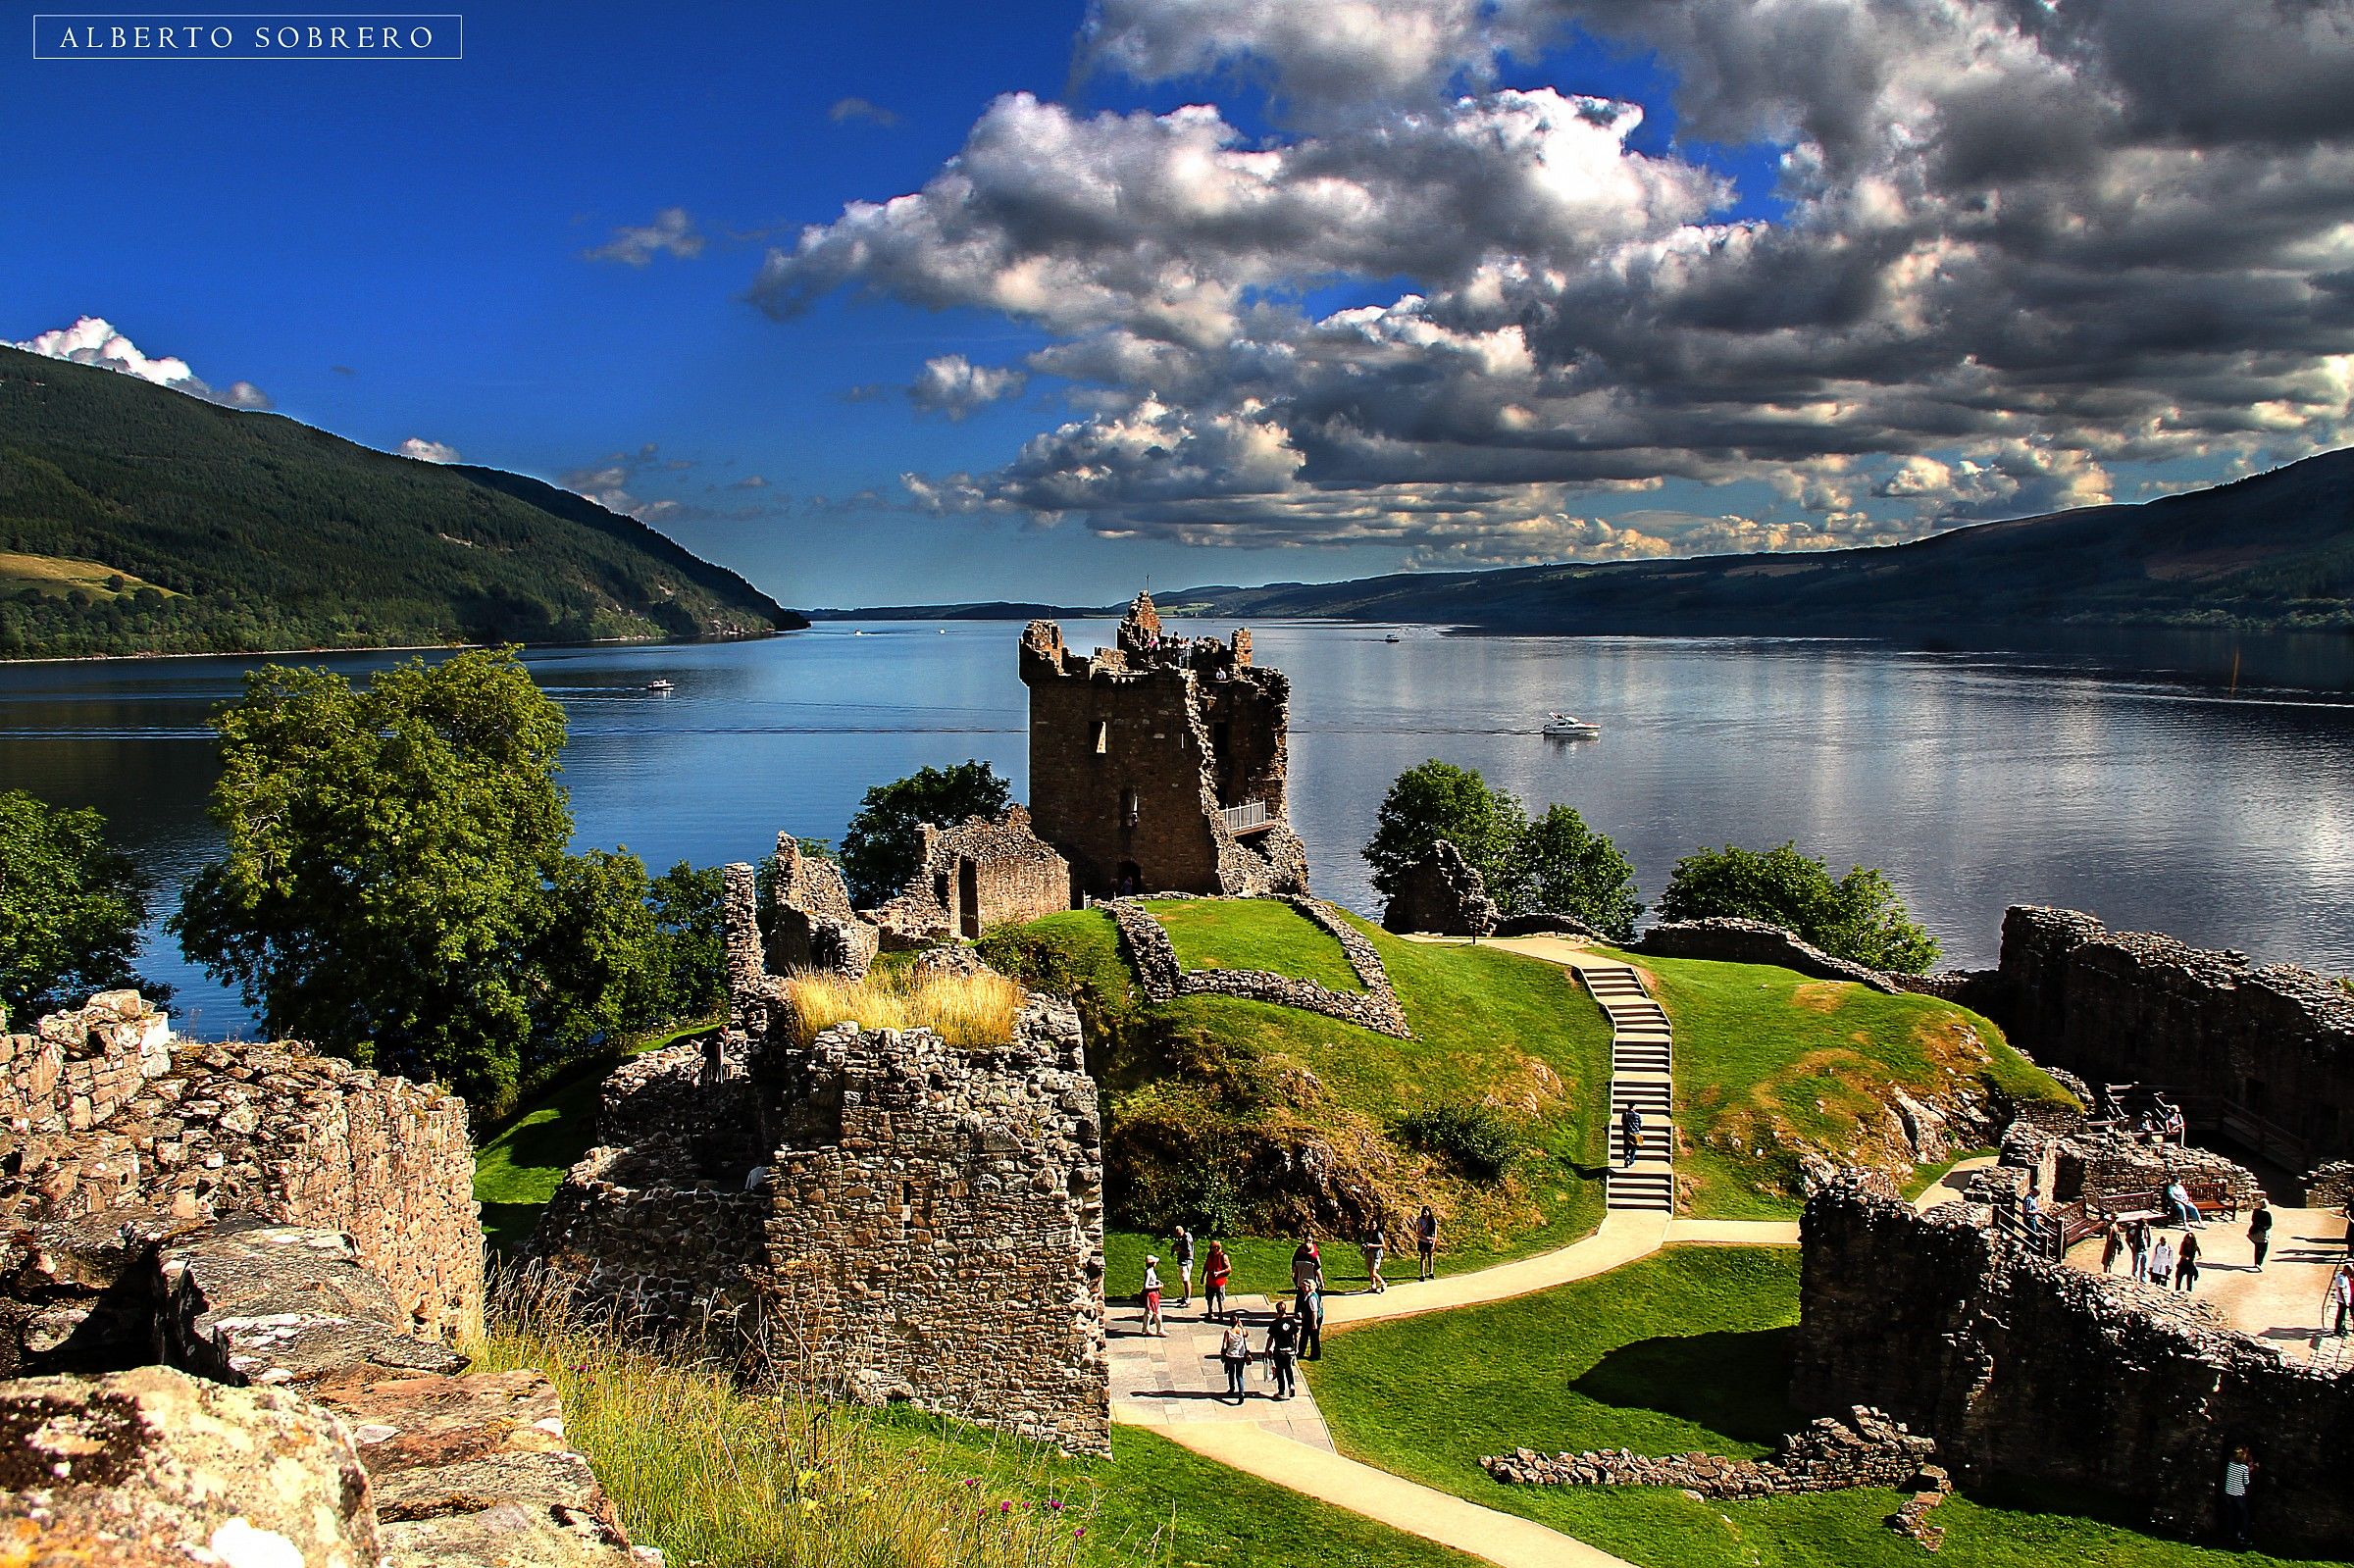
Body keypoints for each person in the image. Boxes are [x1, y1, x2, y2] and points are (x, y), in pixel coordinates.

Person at [2221, 1446, 2255, 1549]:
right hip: (2238, 1494)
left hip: (2228, 1493)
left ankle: (2229, 1533)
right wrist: (2250, 1470)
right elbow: (2246, 1482)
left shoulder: (2230, 1465)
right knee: (2244, 1515)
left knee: (2231, 1513)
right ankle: (2242, 1535)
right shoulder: (2244, 1468)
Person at [1265, 1303, 1301, 1400]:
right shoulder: (1291, 1321)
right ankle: (1291, 1385)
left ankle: (1281, 1392)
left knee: (1280, 1371)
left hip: (1279, 1350)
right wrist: (1296, 1348)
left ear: (1277, 1310)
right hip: (1289, 1350)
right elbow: (1296, 1335)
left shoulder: (1275, 1323)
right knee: (1288, 1368)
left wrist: (1267, 1350)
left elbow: (1270, 1338)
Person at [1218, 1314, 1253, 1402]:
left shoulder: (1228, 1332)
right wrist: (1241, 1326)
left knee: (1231, 1372)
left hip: (1230, 1355)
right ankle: (1241, 1393)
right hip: (1240, 1356)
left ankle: (1232, 1388)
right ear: (1238, 1322)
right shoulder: (1241, 1331)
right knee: (1239, 1375)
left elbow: (1224, 1345)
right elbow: (1246, 1334)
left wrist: (1222, 1354)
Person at [1204, 1239, 1232, 1318]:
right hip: (1210, 1281)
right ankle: (1210, 1312)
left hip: (1219, 1282)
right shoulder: (1210, 1255)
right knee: (1209, 1298)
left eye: (1212, 1248)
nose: (1210, 1249)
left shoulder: (1223, 1256)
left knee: (1220, 1300)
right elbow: (1206, 1265)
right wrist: (1203, 1275)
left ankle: (1220, 1313)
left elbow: (1229, 1269)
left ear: (1217, 1247)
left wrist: (1219, 1273)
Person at [1299, 1276, 1324, 1360]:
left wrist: (1314, 1323)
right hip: (1308, 1318)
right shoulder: (1308, 1295)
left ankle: (1315, 1355)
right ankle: (1301, 1352)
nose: (1303, 1288)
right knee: (1304, 1336)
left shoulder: (1312, 1297)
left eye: (1304, 1287)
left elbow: (1314, 1311)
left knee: (1314, 1337)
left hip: (1312, 1319)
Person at [1141, 1255, 1164, 1338]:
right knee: (1156, 1312)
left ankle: (1146, 1328)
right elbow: (1146, 1286)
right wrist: (1158, 1286)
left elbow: (1151, 1281)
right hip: (1151, 1295)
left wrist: (1156, 1281)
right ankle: (1160, 1330)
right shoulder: (1149, 1272)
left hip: (1153, 1294)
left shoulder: (1150, 1271)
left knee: (1149, 1312)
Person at [1171, 1225, 1195, 1307]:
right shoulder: (1182, 1237)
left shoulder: (1187, 1239)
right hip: (1183, 1262)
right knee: (1185, 1280)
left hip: (1186, 1263)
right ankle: (1186, 1296)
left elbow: (1189, 1253)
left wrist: (1180, 1250)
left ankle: (1187, 1300)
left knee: (1186, 1281)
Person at [1362, 1221, 1389, 1293]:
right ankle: (1373, 1286)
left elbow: (1383, 1245)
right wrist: (1364, 1247)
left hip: (1377, 1254)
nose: (1373, 1226)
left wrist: (1372, 1245)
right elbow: (1366, 1242)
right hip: (1369, 1253)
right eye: (1372, 1224)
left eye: (1374, 1224)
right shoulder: (1367, 1233)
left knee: (1373, 1272)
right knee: (1370, 1271)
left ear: (1376, 1225)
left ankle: (1383, 1283)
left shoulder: (1378, 1234)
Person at [2247, 1199, 2274, 1272]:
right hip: (2262, 1233)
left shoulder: (2255, 1212)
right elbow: (2269, 1225)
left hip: (2253, 1232)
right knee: (2264, 1249)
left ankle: (2256, 1263)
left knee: (2257, 1247)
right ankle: (2259, 1263)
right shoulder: (2267, 1213)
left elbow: (2253, 1220)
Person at [2329, 1263, 2354, 1338]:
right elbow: (2341, 1291)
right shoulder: (2341, 1279)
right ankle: (2338, 1330)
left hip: (2345, 1299)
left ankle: (2342, 1327)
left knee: (2343, 1315)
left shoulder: (2343, 1276)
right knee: (2341, 1316)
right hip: (2342, 1300)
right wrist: (2345, 1301)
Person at [1415, 1204, 1438, 1282]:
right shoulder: (1420, 1220)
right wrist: (1426, 1237)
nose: (1425, 1214)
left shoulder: (1433, 1220)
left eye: (1426, 1212)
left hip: (1431, 1241)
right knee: (1423, 1257)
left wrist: (1433, 1243)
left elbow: (1435, 1233)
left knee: (1430, 1256)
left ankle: (1431, 1272)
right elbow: (1419, 1232)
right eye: (1424, 1212)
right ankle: (1422, 1274)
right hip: (1423, 1241)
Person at [1619, 1103, 1643, 1169]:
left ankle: (1627, 1156)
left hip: (1627, 1133)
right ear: (1633, 1106)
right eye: (1636, 1106)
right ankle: (1631, 1161)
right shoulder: (1638, 1115)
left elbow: (1623, 1123)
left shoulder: (1625, 1114)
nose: (1636, 1107)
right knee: (1634, 1148)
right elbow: (1640, 1125)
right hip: (1635, 1133)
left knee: (1626, 1147)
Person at [2128, 1219, 2151, 1283]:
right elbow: (2127, 1239)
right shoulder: (2134, 1230)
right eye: (2143, 1225)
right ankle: (2134, 1278)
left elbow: (2147, 1238)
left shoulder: (2145, 1230)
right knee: (2136, 1266)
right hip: (2137, 1250)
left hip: (2144, 1249)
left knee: (2145, 1266)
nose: (2144, 1226)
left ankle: (2143, 1280)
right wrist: (2132, 1248)